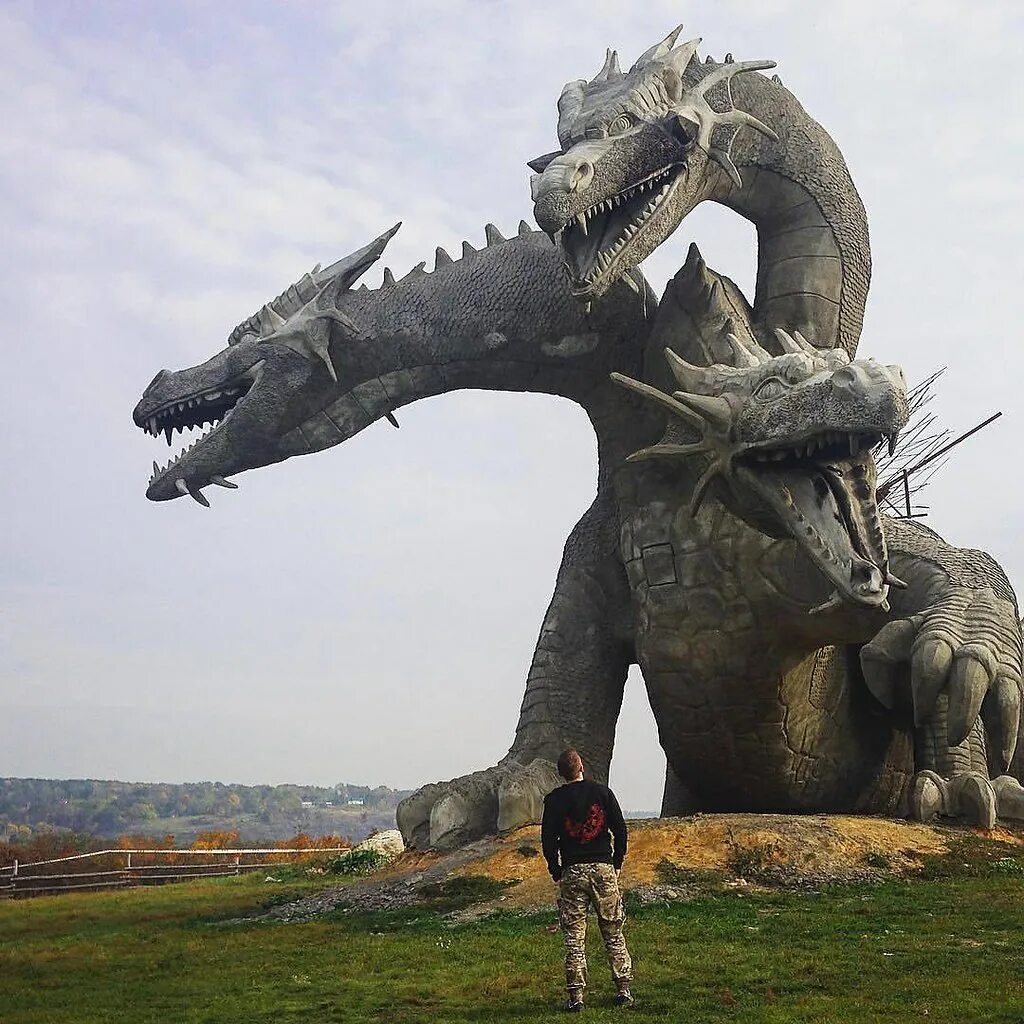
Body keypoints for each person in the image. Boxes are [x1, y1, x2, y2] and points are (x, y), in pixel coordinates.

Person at [541, 747, 633, 1012]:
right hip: (603, 869)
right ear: (580, 765)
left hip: (572, 871)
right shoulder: (602, 793)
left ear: (560, 773)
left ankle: (576, 997)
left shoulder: (554, 800)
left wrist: (555, 869)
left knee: (574, 937)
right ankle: (623, 989)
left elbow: (548, 840)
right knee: (613, 932)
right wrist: (616, 863)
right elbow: (621, 830)